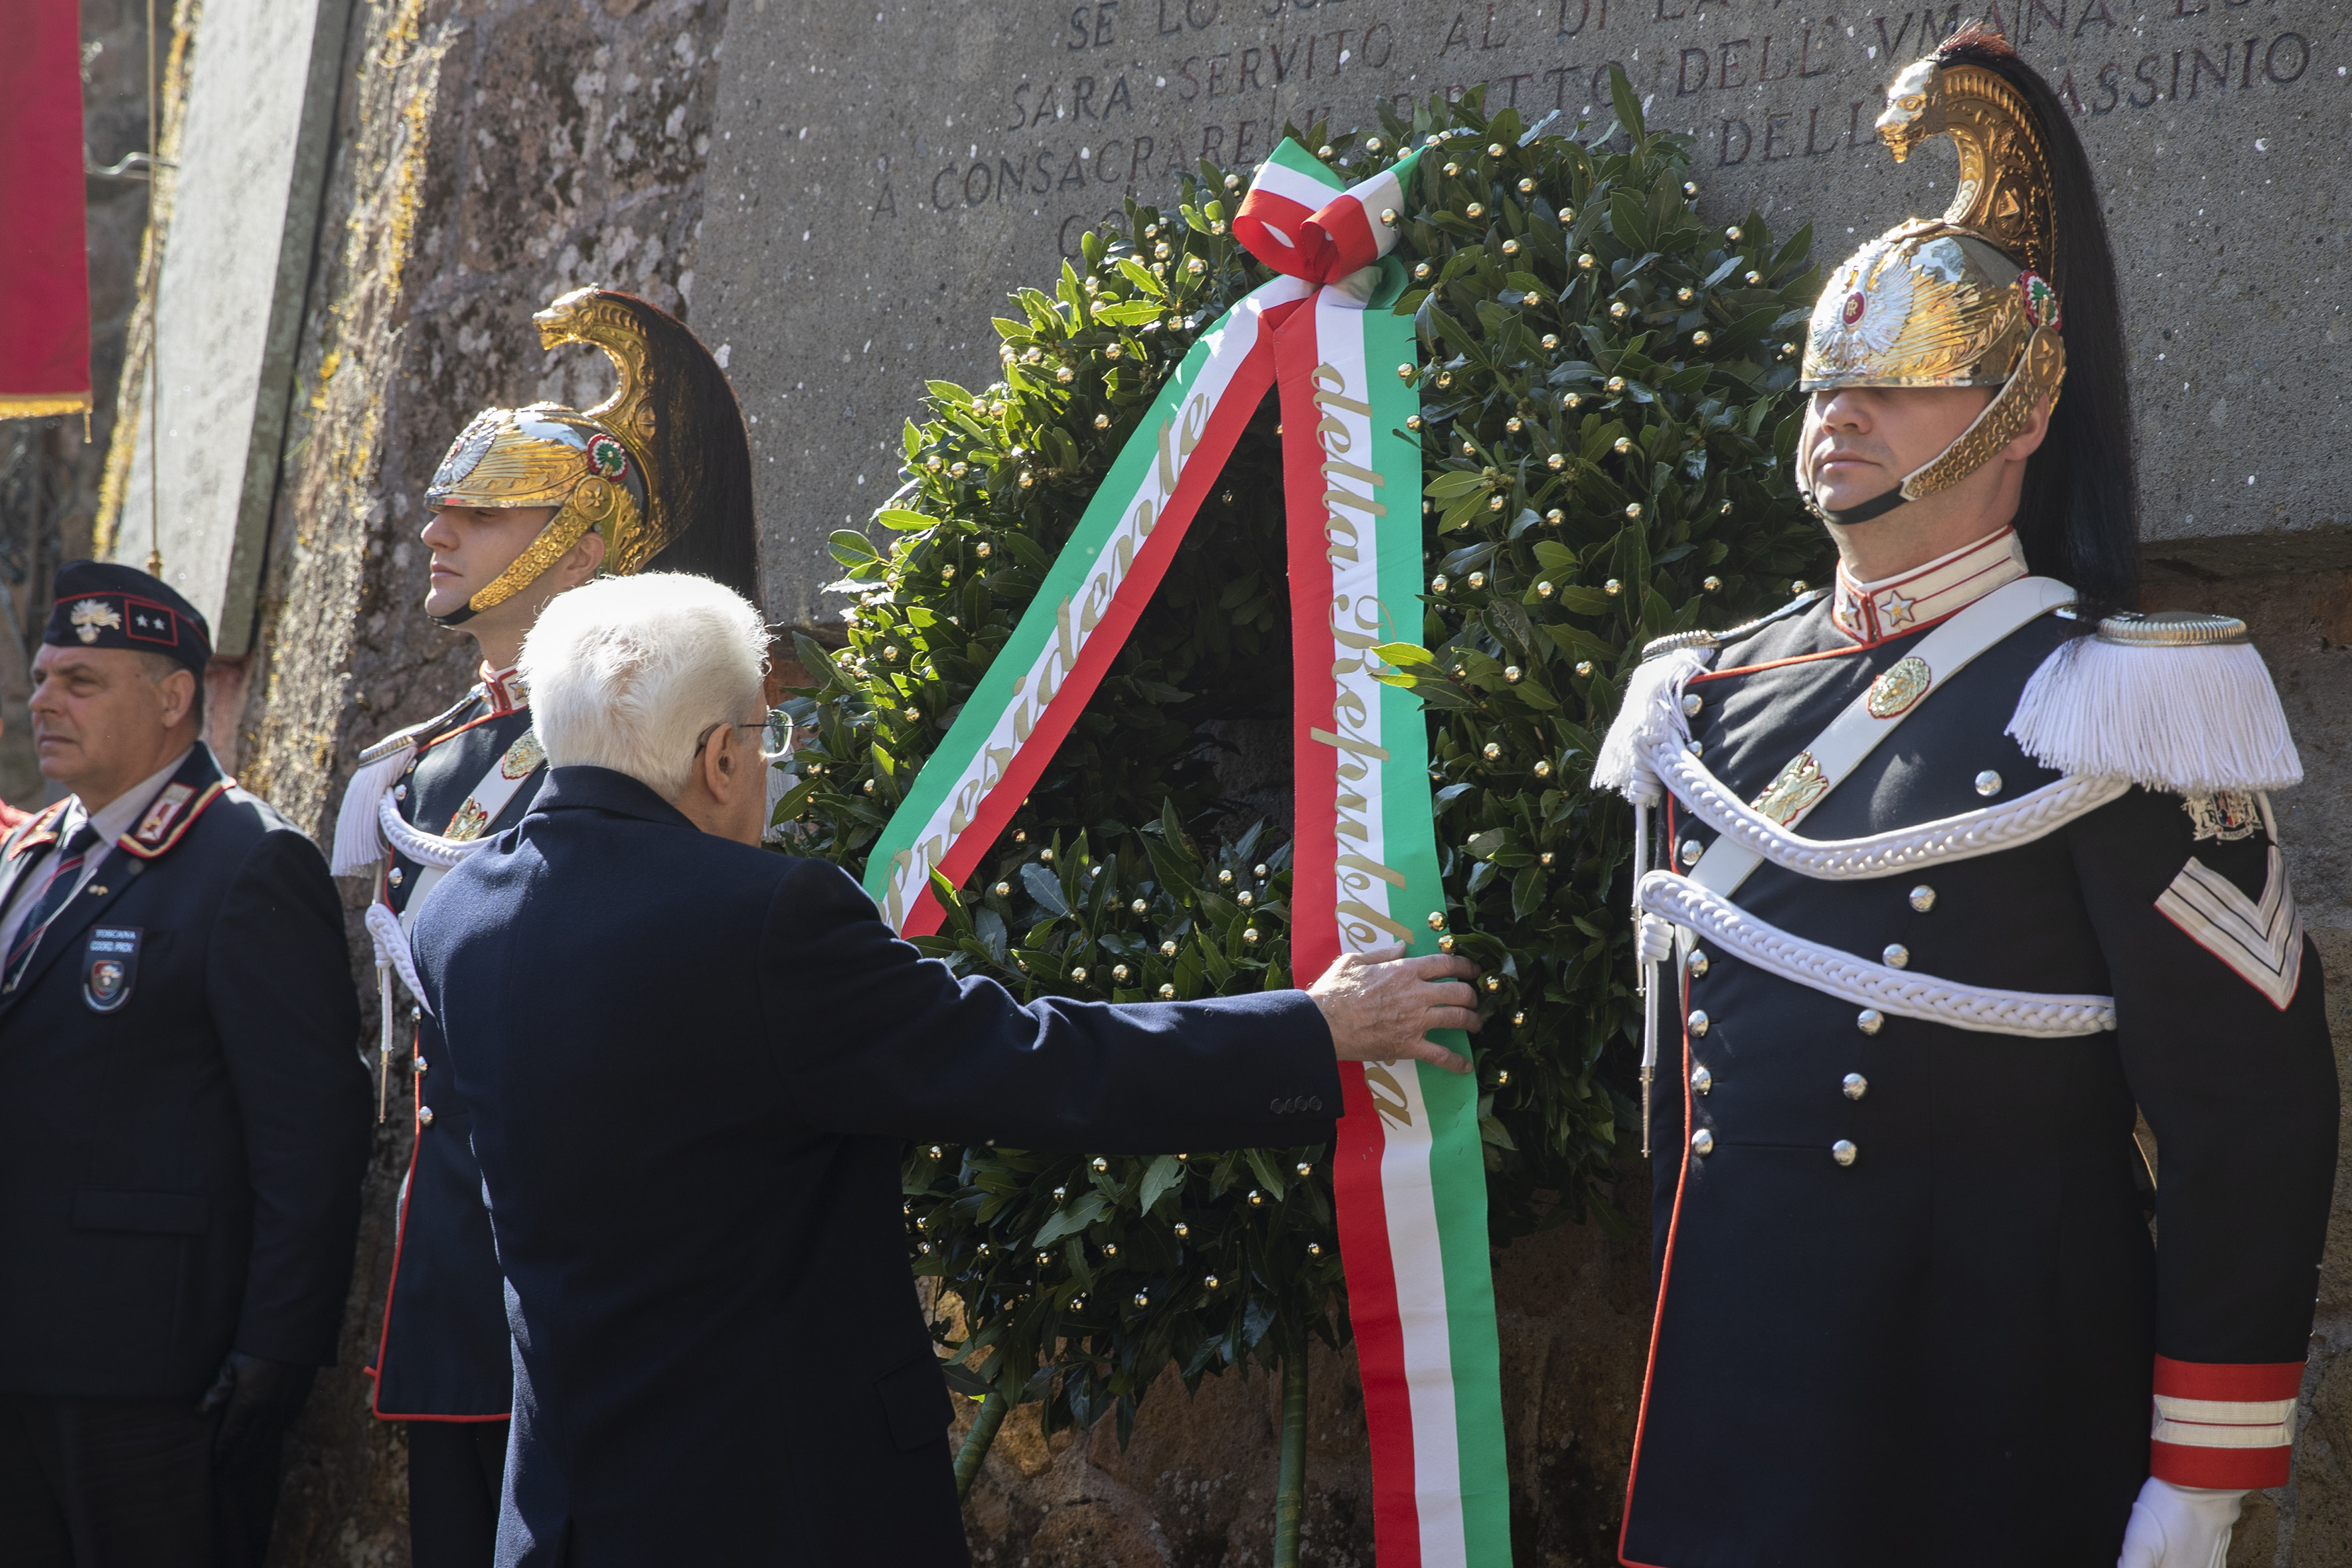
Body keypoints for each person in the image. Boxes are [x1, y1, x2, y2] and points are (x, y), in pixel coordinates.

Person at [1593, 32, 2336, 1568]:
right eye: (1823, 378)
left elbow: (2243, 1117)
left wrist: (2195, 1477)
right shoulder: (1696, 697)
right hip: (1741, 1414)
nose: (1839, 412)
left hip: (1989, 1429)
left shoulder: (2121, 698)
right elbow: (1687, 1120)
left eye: (1897, 380)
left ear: (2015, 404)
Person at [404, 571, 1478, 1565]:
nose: (767, 766)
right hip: (785, 1506)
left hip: (566, 1511)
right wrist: (1312, 1027)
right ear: (718, 759)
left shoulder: (453, 919)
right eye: (762, 738)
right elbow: (1034, 1062)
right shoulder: (762, 922)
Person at [329, 285, 761, 1568]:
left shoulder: (646, 743)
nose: (435, 528)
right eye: (444, 504)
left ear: (580, 550)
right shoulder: (425, 765)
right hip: (453, 1268)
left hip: (590, 1273)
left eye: (484, 509)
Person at [0, 561, 368, 1567]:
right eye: (41, 678)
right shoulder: (31, 855)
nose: (43, 701)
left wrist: (277, 1353)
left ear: (173, 699)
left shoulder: (246, 861)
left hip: (157, 1375)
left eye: (80, 680)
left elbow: (313, 1135)